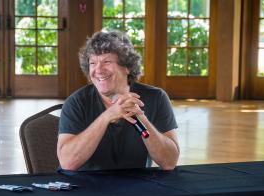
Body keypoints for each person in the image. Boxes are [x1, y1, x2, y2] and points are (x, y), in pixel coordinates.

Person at [57, 30, 179, 171]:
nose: (98, 70)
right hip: (86, 188)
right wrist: (107, 116)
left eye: (106, 61)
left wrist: (141, 118)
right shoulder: (76, 102)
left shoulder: (156, 98)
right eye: (93, 63)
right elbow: (68, 163)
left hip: (136, 188)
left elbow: (169, 162)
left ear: (127, 66)